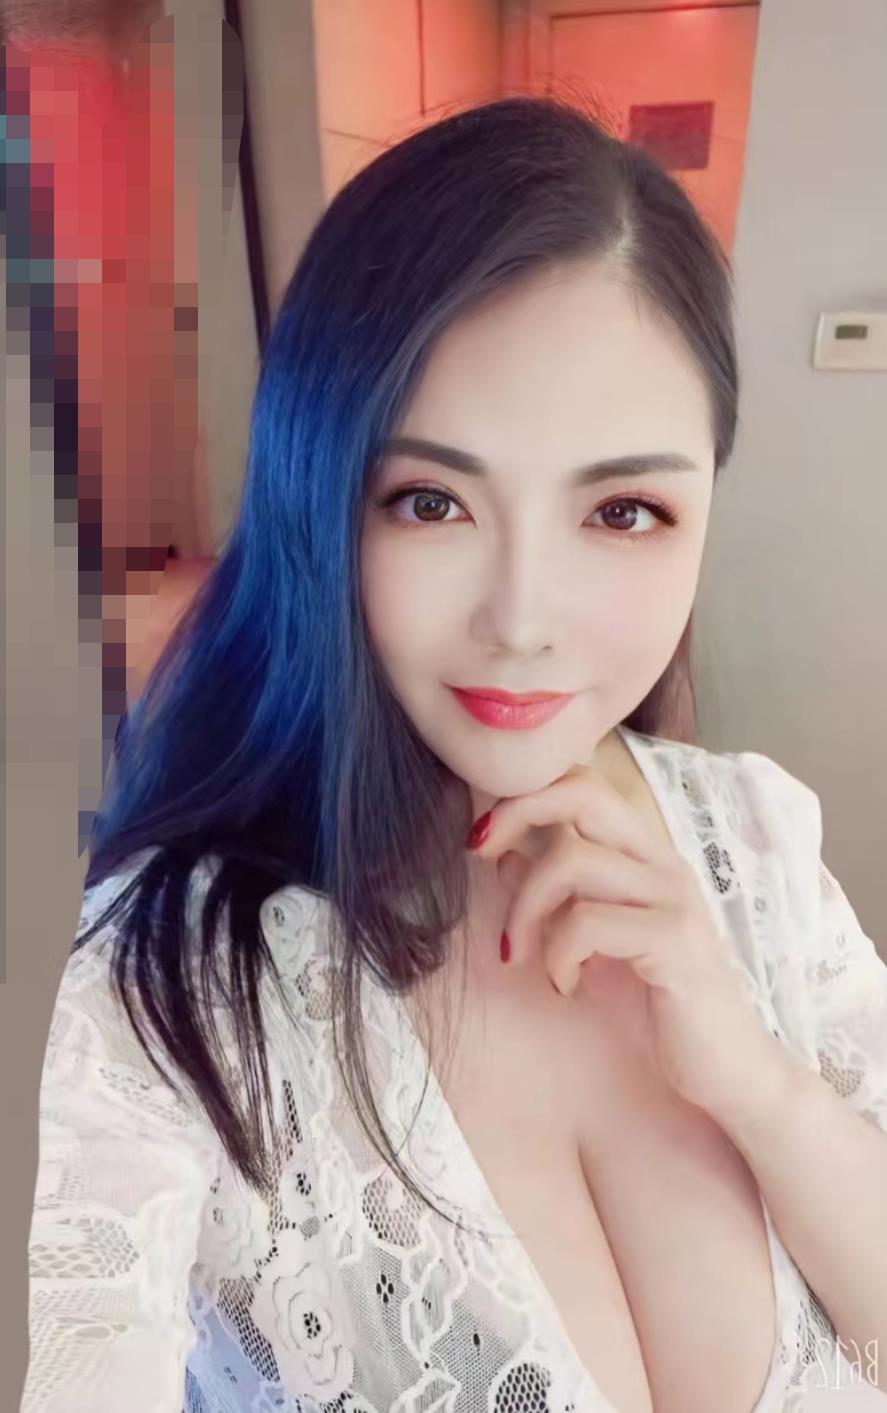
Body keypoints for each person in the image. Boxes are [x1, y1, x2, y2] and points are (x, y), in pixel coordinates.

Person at [19, 95, 887, 1413]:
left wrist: (757, 1082)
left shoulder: (758, 840)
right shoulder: (158, 993)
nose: (524, 621)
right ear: (322, 496)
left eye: (623, 510)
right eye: (431, 500)